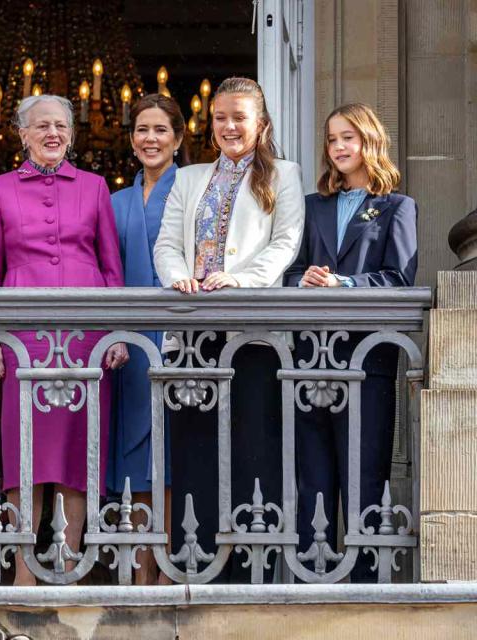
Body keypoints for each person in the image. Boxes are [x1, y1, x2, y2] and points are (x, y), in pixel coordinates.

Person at [153, 77, 305, 582]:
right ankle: (194, 565)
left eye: (239, 117)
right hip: (194, 330)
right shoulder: (189, 177)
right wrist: (177, 276)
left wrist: (237, 281)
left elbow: (284, 246)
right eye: (220, 117)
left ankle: (250, 568)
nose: (229, 126)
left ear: (260, 123)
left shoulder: (284, 175)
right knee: (195, 448)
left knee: (251, 448)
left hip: (253, 334)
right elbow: (167, 243)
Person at [0, 94, 128, 586]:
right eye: (41, 125)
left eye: (61, 126)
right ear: (22, 134)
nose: (52, 134)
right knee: (24, 454)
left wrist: (116, 332)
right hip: (24, 331)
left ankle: (70, 565)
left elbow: (111, 267)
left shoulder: (96, 187)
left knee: (79, 452)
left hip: (86, 332)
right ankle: (24, 569)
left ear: (71, 133)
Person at [284, 103, 417, 581]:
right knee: (312, 477)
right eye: (332, 139)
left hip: (367, 359)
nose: (339, 148)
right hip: (308, 358)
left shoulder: (397, 206)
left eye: (348, 138)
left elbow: (400, 278)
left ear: (369, 142)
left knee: (364, 474)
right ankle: (307, 579)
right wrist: (304, 279)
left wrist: (344, 284)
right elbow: (292, 268)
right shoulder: (311, 205)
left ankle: (364, 582)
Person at [108, 93, 187, 585]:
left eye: (160, 130)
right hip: (124, 344)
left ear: (178, 138)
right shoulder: (112, 199)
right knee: (135, 458)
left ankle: (171, 569)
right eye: (142, 129)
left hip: (178, 338)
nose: (150, 139)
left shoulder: (195, 190)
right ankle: (141, 572)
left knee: (173, 455)